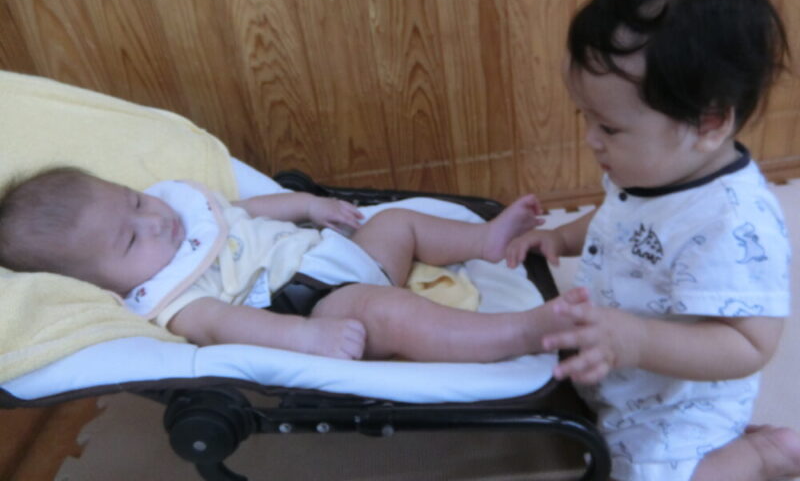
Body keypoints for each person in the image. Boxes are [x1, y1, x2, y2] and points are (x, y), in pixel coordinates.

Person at [505, 0, 800, 481]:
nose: (590, 140)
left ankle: (763, 455)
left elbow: (750, 344)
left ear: (708, 123)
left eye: (609, 128)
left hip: (682, 401)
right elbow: (619, 219)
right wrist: (561, 237)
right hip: (623, 365)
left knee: (642, 474)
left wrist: (637, 341)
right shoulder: (653, 171)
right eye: (585, 118)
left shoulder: (732, 223)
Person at [0, 166, 587, 363]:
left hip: (342, 255)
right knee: (388, 311)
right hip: (314, 301)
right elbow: (229, 325)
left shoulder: (184, 216)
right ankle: (516, 333)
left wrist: (306, 204)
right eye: (130, 240)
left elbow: (245, 211)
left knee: (395, 222)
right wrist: (308, 337)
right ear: (106, 282)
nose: (154, 221)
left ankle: (484, 240)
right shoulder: (175, 298)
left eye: (135, 201)